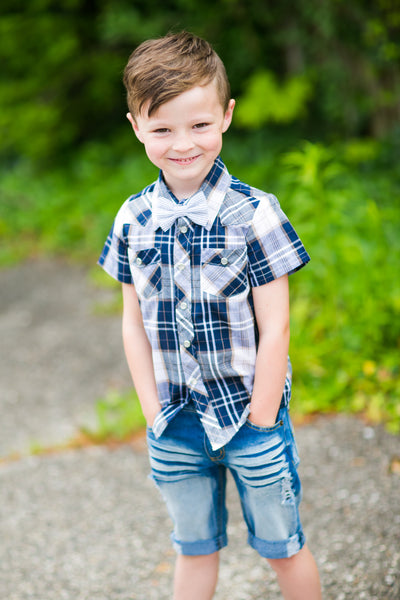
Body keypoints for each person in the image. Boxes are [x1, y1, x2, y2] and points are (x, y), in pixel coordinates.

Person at [99, 31, 321, 600]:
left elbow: (277, 325)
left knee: (283, 548)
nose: (183, 144)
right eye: (162, 128)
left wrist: (265, 415)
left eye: (198, 125)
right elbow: (132, 321)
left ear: (226, 116)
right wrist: (152, 412)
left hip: (249, 415)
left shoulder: (255, 213)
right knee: (192, 549)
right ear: (135, 128)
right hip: (174, 422)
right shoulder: (132, 219)